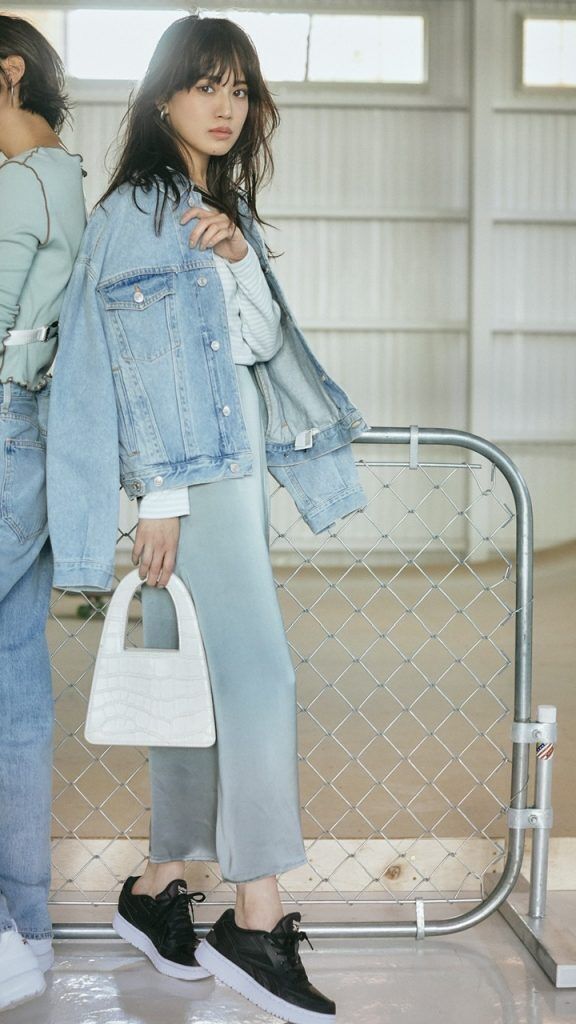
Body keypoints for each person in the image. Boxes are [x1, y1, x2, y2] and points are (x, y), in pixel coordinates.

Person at [47, 15, 366, 1023]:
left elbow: (258, 341)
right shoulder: (137, 212)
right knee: (259, 679)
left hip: (221, 476)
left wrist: (236, 256)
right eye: (205, 86)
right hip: (197, 485)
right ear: (162, 98)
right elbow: (133, 368)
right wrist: (163, 500)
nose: (226, 106)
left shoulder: (211, 207)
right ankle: (255, 918)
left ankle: (156, 889)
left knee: (196, 692)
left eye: (238, 88)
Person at [0, 14, 86, 1014]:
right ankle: (26, 930)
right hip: (31, 440)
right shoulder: (66, 179)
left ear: (8, 71)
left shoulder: (14, 185)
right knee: (17, 692)